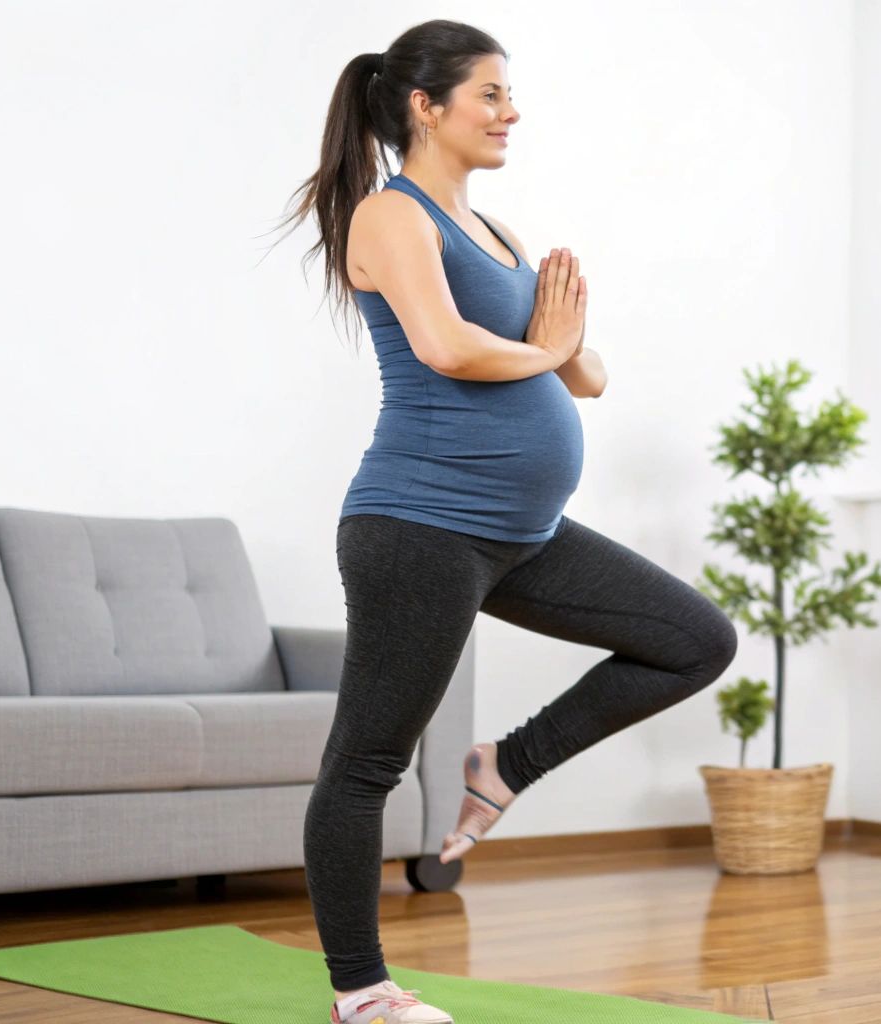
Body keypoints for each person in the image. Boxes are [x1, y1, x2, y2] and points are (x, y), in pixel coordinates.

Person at [270, 19, 739, 1024]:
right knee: (367, 762)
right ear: (422, 108)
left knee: (695, 640)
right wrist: (546, 345)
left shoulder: (503, 234)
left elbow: (591, 375)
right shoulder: (389, 218)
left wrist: (562, 340)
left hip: (520, 534)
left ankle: (503, 766)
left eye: (508, 94)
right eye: (489, 94)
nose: (509, 112)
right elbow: (445, 348)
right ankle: (362, 992)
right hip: (420, 526)